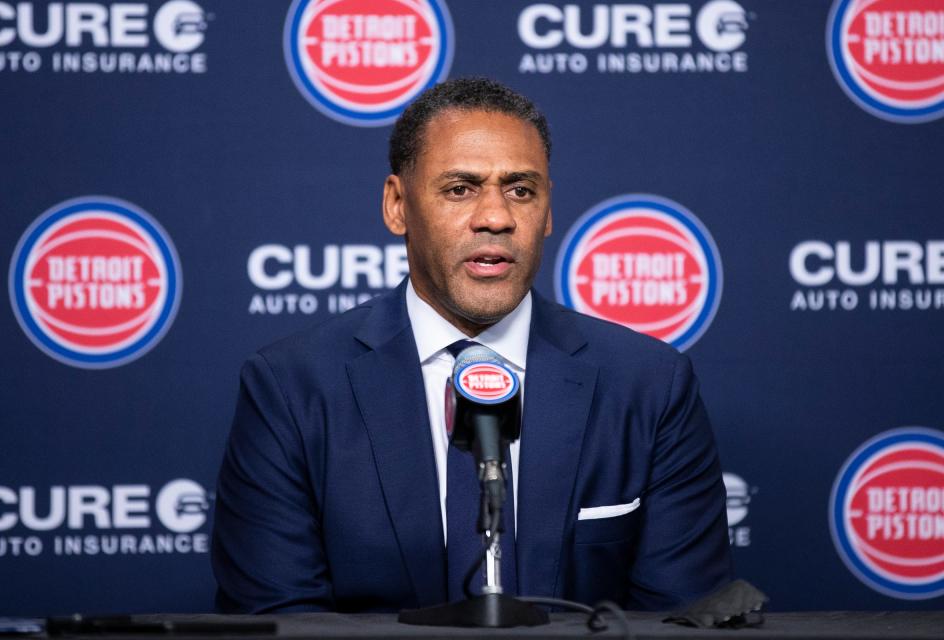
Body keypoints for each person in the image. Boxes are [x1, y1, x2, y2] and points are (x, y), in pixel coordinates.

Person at [211, 77, 732, 614]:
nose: (496, 217)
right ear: (397, 205)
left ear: (548, 211)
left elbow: (680, 618)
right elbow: (279, 617)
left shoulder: (650, 385)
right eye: (460, 189)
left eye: (521, 190)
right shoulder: (292, 386)